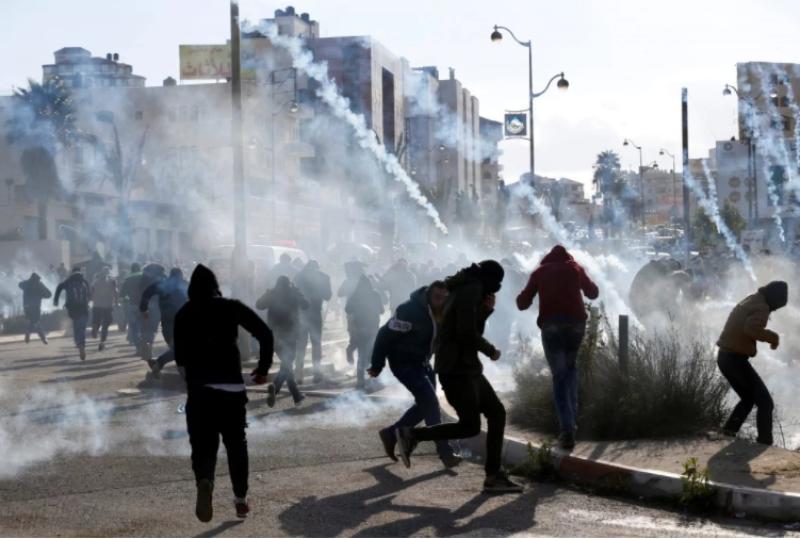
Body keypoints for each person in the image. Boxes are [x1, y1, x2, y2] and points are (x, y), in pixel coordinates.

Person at [396, 260, 522, 493]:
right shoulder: (471, 290)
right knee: (472, 425)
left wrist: (485, 311)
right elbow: (466, 333)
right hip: (457, 369)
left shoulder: (466, 288)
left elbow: (469, 327)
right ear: (489, 279)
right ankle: (412, 434)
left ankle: (494, 476)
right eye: (496, 284)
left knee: (493, 414)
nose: (496, 289)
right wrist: (490, 350)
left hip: (464, 366)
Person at [173, 264, 275, 522]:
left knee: (203, 445)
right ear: (215, 285)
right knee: (236, 445)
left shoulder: (183, 313)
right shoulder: (231, 306)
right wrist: (262, 369)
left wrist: (192, 382)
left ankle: (205, 480)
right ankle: (240, 501)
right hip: (231, 389)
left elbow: (181, 358)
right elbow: (265, 333)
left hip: (200, 391)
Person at [368, 281, 461, 468]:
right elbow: (384, 334)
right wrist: (377, 364)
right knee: (431, 404)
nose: (440, 301)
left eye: (444, 298)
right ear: (428, 296)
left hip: (424, 363)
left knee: (424, 405)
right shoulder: (410, 311)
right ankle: (445, 453)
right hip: (404, 363)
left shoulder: (444, 310)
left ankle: (390, 433)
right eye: (437, 297)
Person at [516, 245, 599, 450]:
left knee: (560, 376)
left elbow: (522, 303)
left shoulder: (540, 271)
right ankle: (571, 422)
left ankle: (567, 429)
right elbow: (593, 292)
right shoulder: (574, 267)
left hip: (551, 325)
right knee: (570, 370)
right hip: (576, 325)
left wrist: (526, 292)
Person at [716, 281, 787, 446]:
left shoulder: (753, 298)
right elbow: (750, 328)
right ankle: (765, 443)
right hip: (734, 359)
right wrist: (772, 337)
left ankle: (728, 432)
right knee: (766, 403)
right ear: (775, 299)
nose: (774, 310)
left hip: (725, 357)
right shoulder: (762, 306)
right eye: (777, 306)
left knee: (748, 399)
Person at [256, 276, 308, 405]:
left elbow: (259, 305)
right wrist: (298, 292)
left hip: (274, 335)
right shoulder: (293, 293)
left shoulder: (272, 294)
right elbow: (306, 305)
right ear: (289, 284)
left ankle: (293, 395)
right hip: (289, 335)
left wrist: (267, 293)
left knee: (286, 365)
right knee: (287, 365)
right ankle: (278, 389)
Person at [141, 267, 189, 377]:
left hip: (167, 323)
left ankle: (159, 363)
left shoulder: (162, 284)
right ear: (180, 275)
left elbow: (147, 293)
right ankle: (159, 362)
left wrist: (144, 309)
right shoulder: (185, 284)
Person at [294, 260, 332, 384]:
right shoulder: (323, 277)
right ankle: (316, 374)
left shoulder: (298, 276)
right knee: (316, 344)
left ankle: (299, 375)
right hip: (314, 313)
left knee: (301, 345)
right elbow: (328, 296)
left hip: (302, 314)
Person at [346, 274, 384, 389]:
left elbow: (347, 309)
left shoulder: (355, 295)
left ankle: (360, 381)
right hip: (373, 327)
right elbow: (382, 310)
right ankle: (375, 381)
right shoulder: (375, 294)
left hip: (360, 328)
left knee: (361, 355)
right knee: (372, 355)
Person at [54, 267, 92, 360]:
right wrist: (89, 300)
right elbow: (90, 294)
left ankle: (78, 343)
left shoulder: (68, 281)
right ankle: (81, 344)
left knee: (76, 325)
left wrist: (56, 300)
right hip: (83, 307)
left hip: (72, 309)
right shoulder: (84, 281)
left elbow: (59, 287)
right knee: (82, 327)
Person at [138, 263, 166, 361]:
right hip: (157, 305)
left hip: (145, 305)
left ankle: (145, 343)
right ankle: (149, 343)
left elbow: (140, 292)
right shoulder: (163, 277)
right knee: (153, 327)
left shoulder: (143, 278)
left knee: (145, 326)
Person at [18, 272, 51, 344]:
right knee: (35, 322)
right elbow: (49, 294)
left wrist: (28, 282)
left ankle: (43, 338)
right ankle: (30, 332)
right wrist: (42, 293)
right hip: (36, 306)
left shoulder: (26, 284)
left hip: (27, 307)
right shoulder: (39, 285)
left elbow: (20, 284)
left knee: (34, 322)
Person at [91, 266, 118, 351]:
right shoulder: (112, 281)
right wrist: (116, 303)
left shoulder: (95, 280)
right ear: (108, 272)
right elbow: (116, 292)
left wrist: (92, 299)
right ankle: (102, 342)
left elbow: (91, 291)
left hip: (97, 305)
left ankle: (95, 327)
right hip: (108, 305)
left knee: (97, 321)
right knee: (106, 323)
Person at [120, 263, 143, 353]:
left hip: (132, 305)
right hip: (144, 306)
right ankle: (146, 344)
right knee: (144, 327)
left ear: (131, 270)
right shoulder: (144, 278)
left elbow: (122, 295)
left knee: (133, 327)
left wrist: (127, 298)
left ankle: (138, 348)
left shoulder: (128, 280)